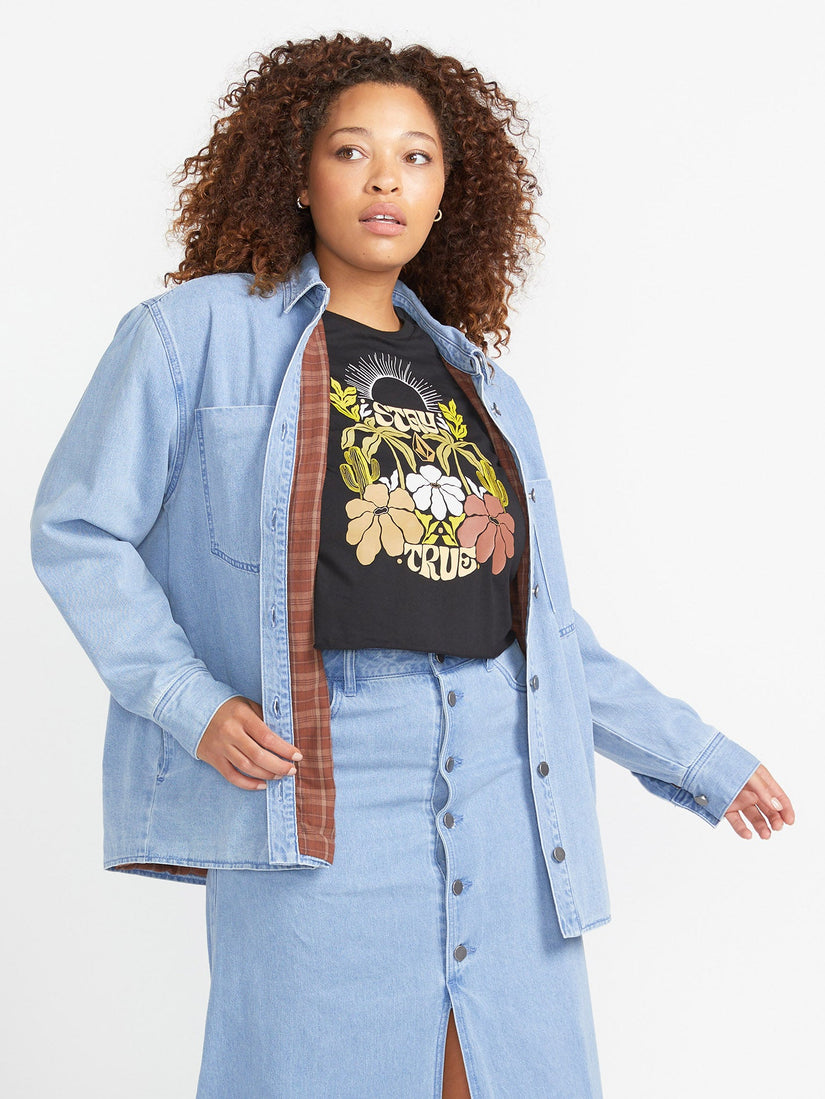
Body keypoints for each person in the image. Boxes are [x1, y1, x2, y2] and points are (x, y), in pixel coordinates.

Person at [29, 32, 794, 1099]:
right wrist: (186, 700)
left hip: (504, 787)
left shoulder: (482, 386)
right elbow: (77, 529)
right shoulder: (190, 335)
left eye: (416, 157)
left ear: (445, 196)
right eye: (351, 151)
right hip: (318, 789)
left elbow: (544, 635)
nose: (385, 179)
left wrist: (699, 755)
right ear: (300, 177)